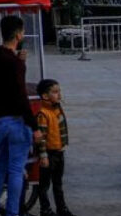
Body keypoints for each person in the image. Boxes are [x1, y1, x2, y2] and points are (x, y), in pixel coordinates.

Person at [0, 15, 41, 216]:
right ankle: (12, 212)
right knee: (16, 170)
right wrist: (34, 126)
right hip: (16, 121)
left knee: (0, 166)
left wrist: (18, 60)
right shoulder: (15, 64)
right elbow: (20, 95)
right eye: (23, 32)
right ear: (18, 34)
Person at [35, 79, 73, 216]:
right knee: (44, 185)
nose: (59, 95)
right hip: (49, 154)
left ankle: (61, 208)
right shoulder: (43, 114)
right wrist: (43, 156)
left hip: (59, 151)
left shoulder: (56, 109)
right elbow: (42, 138)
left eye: (59, 91)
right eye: (55, 92)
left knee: (58, 184)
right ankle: (45, 209)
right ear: (45, 96)